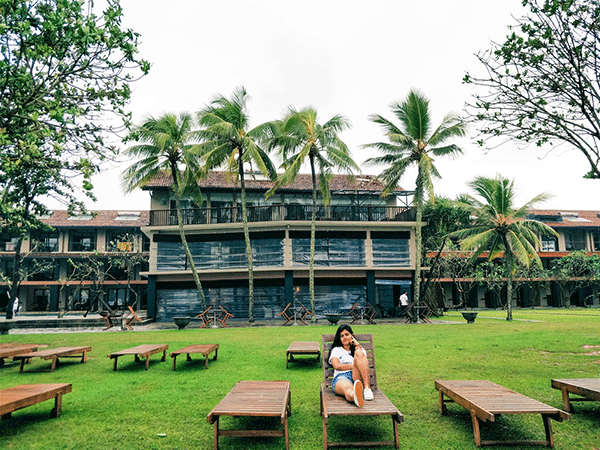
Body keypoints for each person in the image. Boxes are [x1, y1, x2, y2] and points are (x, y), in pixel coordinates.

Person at [328, 324, 373, 407]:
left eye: (347, 334)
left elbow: (363, 364)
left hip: (357, 376)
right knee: (348, 389)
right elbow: (336, 365)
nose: (344, 337)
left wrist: (357, 345)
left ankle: (367, 389)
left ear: (352, 335)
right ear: (339, 338)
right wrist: (353, 366)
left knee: (359, 353)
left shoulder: (359, 349)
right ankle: (354, 396)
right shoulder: (336, 350)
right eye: (341, 336)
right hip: (341, 377)